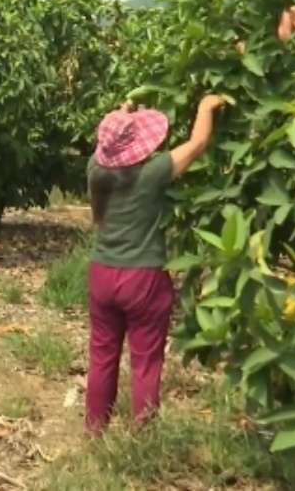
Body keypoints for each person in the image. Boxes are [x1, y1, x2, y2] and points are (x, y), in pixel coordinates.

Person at [84, 94, 226, 435]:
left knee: (102, 356)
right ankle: (143, 434)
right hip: (142, 278)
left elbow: (110, 137)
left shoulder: (95, 169)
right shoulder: (152, 172)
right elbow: (197, 143)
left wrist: (124, 111)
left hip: (102, 273)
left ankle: (95, 430)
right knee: (146, 360)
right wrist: (206, 107)